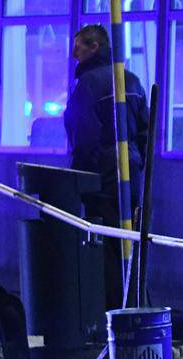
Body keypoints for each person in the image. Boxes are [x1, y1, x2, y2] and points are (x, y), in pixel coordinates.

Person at [64, 23, 150, 223]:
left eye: (78, 47)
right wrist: (136, 161)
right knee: (128, 231)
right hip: (131, 171)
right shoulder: (132, 80)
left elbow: (85, 134)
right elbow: (145, 129)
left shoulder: (88, 84)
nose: (74, 54)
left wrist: (79, 175)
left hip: (102, 176)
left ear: (94, 47)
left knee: (104, 236)